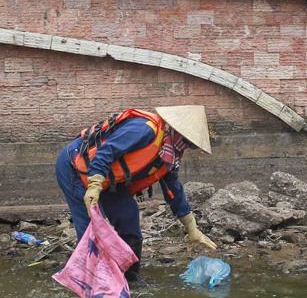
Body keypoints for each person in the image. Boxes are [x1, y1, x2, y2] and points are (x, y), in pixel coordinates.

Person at [55, 105, 218, 285]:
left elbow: (173, 188)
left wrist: (191, 227)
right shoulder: (145, 129)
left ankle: (130, 277)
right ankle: (91, 285)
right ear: (178, 131)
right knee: (91, 226)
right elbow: (107, 151)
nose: (187, 146)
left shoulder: (169, 153)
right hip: (77, 167)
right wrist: (94, 185)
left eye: (191, 145)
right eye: (188, 141)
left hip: (109, 178)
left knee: (128, 214)